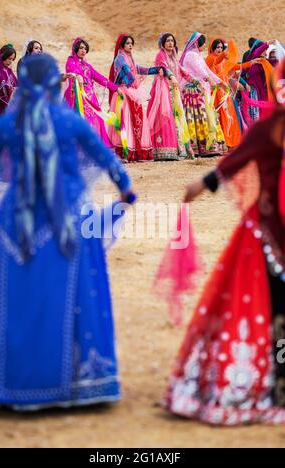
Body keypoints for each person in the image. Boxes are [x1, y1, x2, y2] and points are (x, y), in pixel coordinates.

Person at [0, 54, 135, 410]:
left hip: (15, 224)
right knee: (76, 296)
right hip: (69, 222)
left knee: (11, 296)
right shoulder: (69, 120)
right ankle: (81, 380)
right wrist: (127, 190)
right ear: (57, 84)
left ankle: (10, 379)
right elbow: (107, 159)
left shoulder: (9, 125)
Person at [162, 58, 285, 425]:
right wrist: (200, 186)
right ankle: (278, 383)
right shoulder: (269, 128)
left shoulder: (270, 126)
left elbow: (231, 165)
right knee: (278, 309)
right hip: (270, 234)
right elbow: (232, 164)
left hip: (267, 233)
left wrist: (200, 186)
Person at [108, 34, 164, 162]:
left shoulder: (129, 57)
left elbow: (138, 69)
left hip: (132, 92)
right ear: (122, 45)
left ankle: (136, 152)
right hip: (123, 93)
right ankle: (125, 152)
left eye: (131, 43)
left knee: (136, 120)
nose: (130, 45)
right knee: (125, 121)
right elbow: (128, 73)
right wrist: (135, 80)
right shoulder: (120, 58)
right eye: (127, 43)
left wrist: (156, 69)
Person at [64, 38, 120, 147]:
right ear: (75, 49)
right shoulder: (70, 61)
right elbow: (73, 72)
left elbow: (99, 77)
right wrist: (78, 77)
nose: (83, 50)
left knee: (96, 121)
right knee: (82, 122)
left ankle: (96, 149)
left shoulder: (87, 66)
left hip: (91, 99)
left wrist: (115, 88)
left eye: (85, 48)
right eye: (80, 48)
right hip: (78, 98)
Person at [147, 33, 194, 161]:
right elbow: (164, 68)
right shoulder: (160, 55)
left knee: (178, 119)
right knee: (166, 117)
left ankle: (180, 150)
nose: (170, 43)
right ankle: (164, 150)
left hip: (174, 91)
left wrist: (195, 81)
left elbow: (182, 71)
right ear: (162, 43)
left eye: (172, 41)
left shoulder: (173, 56)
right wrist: (172, 77)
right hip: (163, 91)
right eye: (167, 41)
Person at [180, 32, 227, 155]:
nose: (204, 46)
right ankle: (199, 147)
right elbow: (200, 71)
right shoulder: (190, 55)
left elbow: (206, 70)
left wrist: (220, 82)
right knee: (198, 117)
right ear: (197, 43)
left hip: (201, 90)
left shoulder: (198, 55)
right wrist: (209, 80)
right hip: (193, 91)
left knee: (207, 116)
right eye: (203, 43)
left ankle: (210, 146)